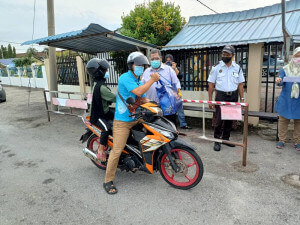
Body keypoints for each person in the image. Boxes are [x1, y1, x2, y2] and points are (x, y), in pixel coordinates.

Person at [103, 52, 160, 194]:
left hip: (136, 117)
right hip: (123, 121)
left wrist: (154, 105)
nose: (140, 67)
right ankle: (108, 181)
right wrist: (152, 80)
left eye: (142, 65)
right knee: (117, 150)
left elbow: (143, 97)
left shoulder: (138, 80)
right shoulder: (125, 78)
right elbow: (139, 91)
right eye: (138, 65)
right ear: (131, 65)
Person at [207, 45, 245, 151]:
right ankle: (217, 140)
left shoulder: (237, 68)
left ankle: (226, 139)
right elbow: (211, 84)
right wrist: (210, 100)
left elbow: (240, 84)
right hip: (221, 95)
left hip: (233, 96)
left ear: (233, 55)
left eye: (227, 54)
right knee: (219, 120)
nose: (225, 56)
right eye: (223, 54)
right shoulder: (216, 67)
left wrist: (242, 100)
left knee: (229, 119)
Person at [86, 58, 116, 162]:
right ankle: (101, 150)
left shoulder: (97, 83)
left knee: (120, 116)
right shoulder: (101, 87)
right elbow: (115, 98)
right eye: (105, 70)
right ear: (99, 72)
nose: (107, 72)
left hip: (104, 111)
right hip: (97, 116)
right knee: (106, 128)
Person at [142, 49, 181, 126]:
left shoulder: (169, 70)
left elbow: (176, 85)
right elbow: (142, 87)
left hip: (167, 107)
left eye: (156, 58)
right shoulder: (146, 72)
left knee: (169, 129)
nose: (154, 61)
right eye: (152, 59)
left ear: (161, 58)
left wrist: (173, 99)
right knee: (152, 130)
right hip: (151, 106)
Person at [275, 47, 300, 151]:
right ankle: (281, 140)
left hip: (298, 100)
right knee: (283, 120)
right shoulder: (285, 69)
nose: (298, 58)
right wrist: (279, 80)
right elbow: (280, 81)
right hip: (286, 99)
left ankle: (297, 141)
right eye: (297, 56)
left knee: (299, 121)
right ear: (293, 56)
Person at [165, 54, 192, 129]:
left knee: (180, 108)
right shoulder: (163, 69)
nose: (169, 63)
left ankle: (183, 124)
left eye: (170, 61)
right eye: (167, 61)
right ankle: (168, 125)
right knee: (168, 109)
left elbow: (180, 76)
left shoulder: (176, 68)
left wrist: (174, 68)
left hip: (176, 91)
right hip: (167, 92)